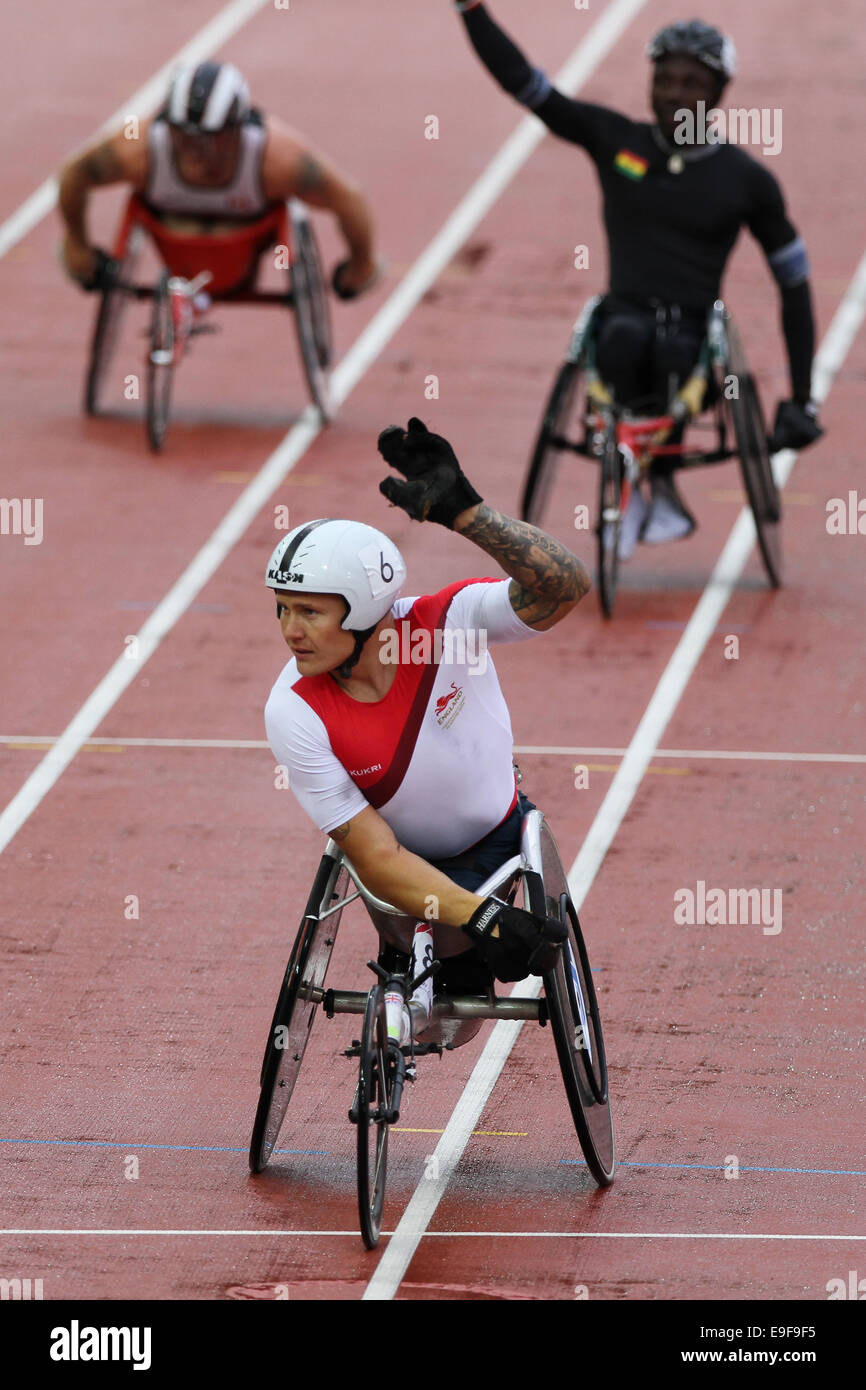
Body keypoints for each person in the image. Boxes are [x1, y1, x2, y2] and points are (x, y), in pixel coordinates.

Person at [452, 5, 824, 555]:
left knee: (672, 349)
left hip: (695, 341)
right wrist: (471, 10)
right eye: (664, 79)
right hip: (622, 320)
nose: (674, 92)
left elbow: (793, 284)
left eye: (690, 82)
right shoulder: (615, 140)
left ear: (718, 93)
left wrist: (801, 399)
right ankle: (628, 480)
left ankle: (659, 481)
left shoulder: (747, 182)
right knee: (625, 339)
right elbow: (526, 85)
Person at [264, 418, 587, 1042]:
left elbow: (564, 587)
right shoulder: (294, 709)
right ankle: (420, 960)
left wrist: (470, 516)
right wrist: (488, 921)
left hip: (497, 842)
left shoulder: (449, 623)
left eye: (309, 611)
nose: (289, 630)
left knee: (457, 1001)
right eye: (282, 608)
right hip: (402, 875)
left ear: (361, 609)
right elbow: (377, 856)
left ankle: (446, 960)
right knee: (436, 1002)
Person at [58, 59, 382, 299]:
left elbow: (348, 198)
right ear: (167, 125)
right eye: (181, 134)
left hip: (245, 244)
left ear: (237, 131)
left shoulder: (277, 161)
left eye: (208, 138)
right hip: (171, 239)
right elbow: (74, 174)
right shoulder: (137, 151)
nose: (192, 148)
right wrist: (77, 243)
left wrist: (361, 264)